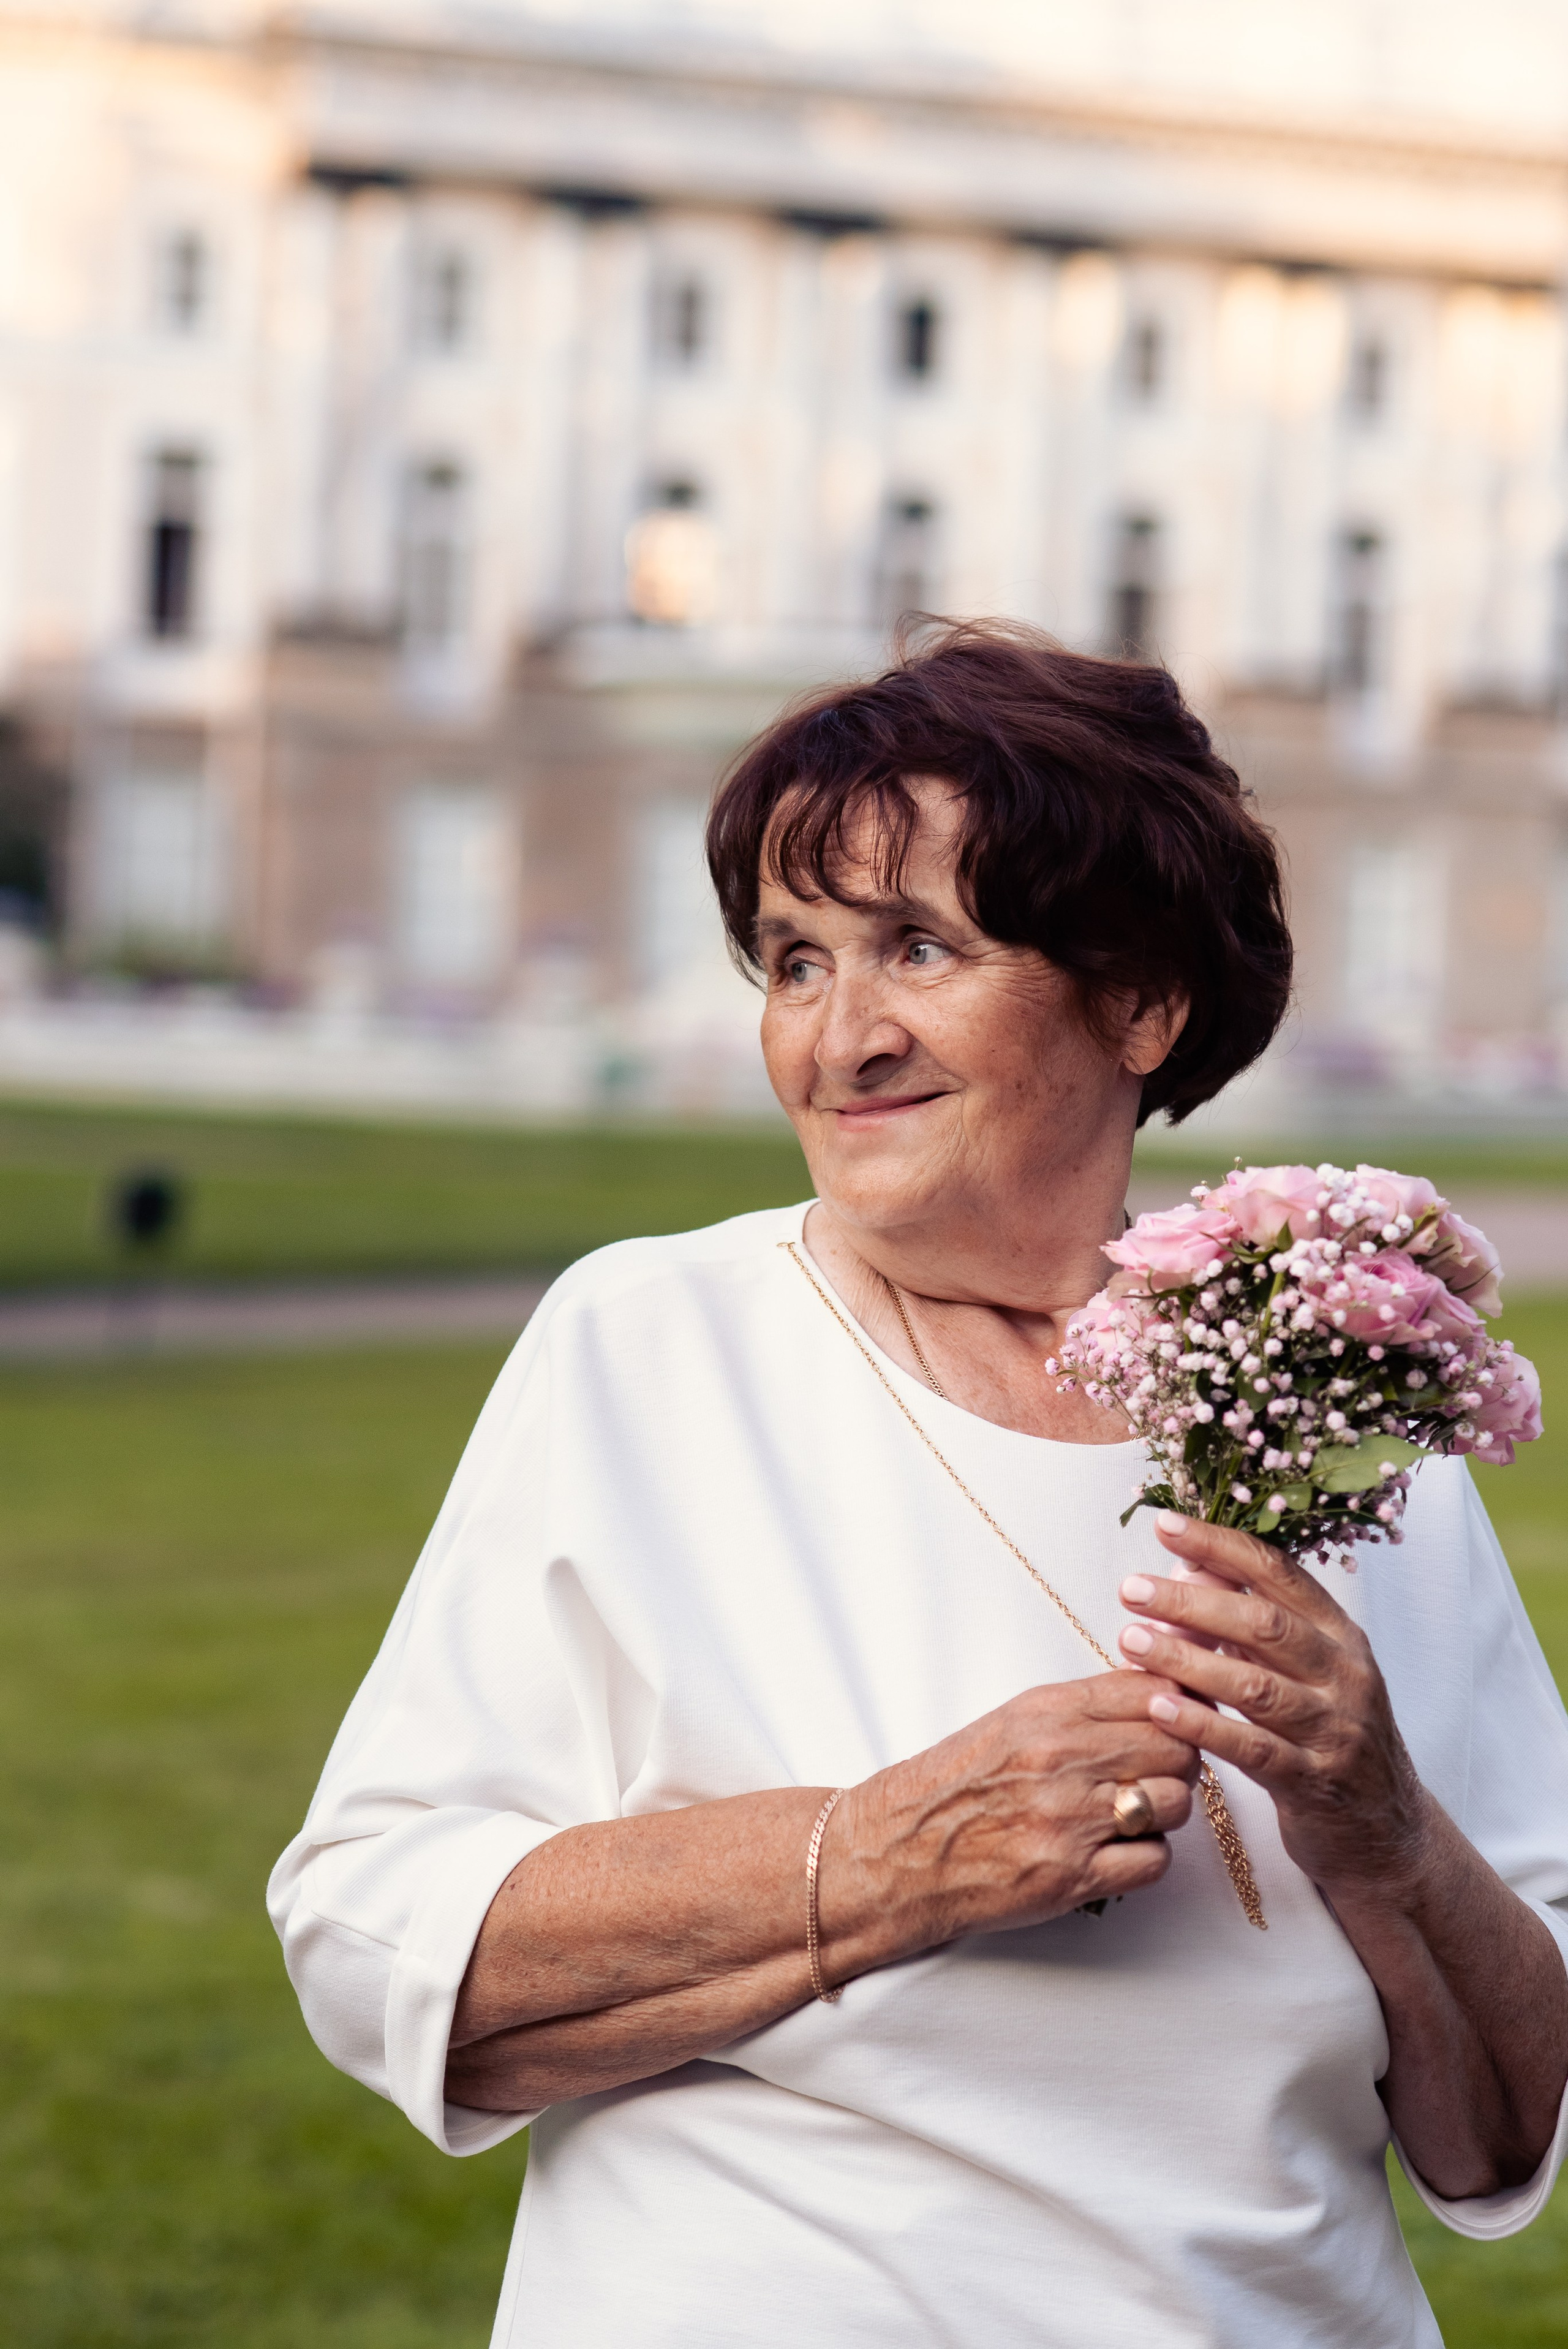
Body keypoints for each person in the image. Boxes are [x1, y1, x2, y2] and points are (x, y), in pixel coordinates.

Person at [270, 622, 1568, 2348]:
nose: (839, 1036)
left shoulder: (1346, 1440)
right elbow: (378, 1942)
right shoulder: (655, 1345)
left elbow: (1501, 2135)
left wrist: (1386, 1830)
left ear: (1142, 997)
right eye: (795, 961)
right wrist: (878, 1858)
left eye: (917, 947)